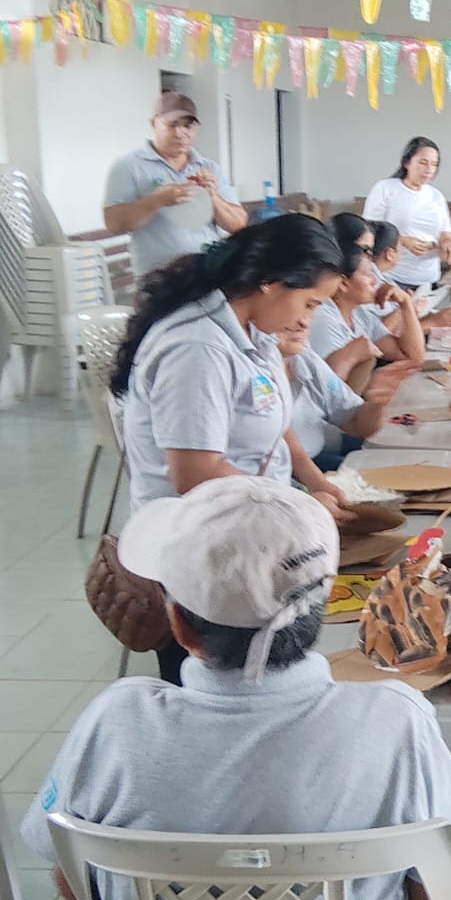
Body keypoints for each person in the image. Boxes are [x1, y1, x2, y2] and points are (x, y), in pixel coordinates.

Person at [21, 478, 451, 900]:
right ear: (327, 604)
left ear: (180, 626)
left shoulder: (114, 722)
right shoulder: (392, 721)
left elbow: (74, 887)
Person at [109, 213, 357, 683]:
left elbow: (273, 421)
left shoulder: (252, 332)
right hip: (199, 547)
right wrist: (296, 507)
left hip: (245, 531)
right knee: (211, 687)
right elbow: (196, 474)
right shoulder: (198, 348)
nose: (307, 319)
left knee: (259, 679)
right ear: (270, 282)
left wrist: (313, 480)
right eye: (309, 302)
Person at [103, 92, 248, 278]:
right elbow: (114, 224)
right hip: (158, 278)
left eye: (187, 126)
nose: (180, 133)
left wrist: (212, 196)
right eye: (172, 125)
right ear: (153, 124)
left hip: (206, 273)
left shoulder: (209, 168)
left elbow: (238, 225)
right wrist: (156, 200)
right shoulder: (129, 166)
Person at [278, 317, 415, 472]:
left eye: (309, 308)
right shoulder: (257, 371)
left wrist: (377, 404)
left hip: (311, 457)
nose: (305, 322)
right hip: (285, 474)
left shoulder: (304, 358)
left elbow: (355, 423)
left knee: (407, 462)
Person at [310, 215, 427, 385]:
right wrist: (350, 358)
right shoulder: (323, 319)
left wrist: (406, 304)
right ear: (343, 283)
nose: (374, 281)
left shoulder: (359, 314)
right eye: (367, 275)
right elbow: (326, 391)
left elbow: (413, 357)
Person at [362, 136, 451, 292]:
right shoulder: (386, 189)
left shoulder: (436, 196)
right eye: (423, 162)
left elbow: (446, 234)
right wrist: (403, 240)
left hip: (429, 279)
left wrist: (449, 245)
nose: (429, 169)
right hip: (392, 278)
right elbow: (369, 228)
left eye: (434, 164)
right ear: (407, 162)